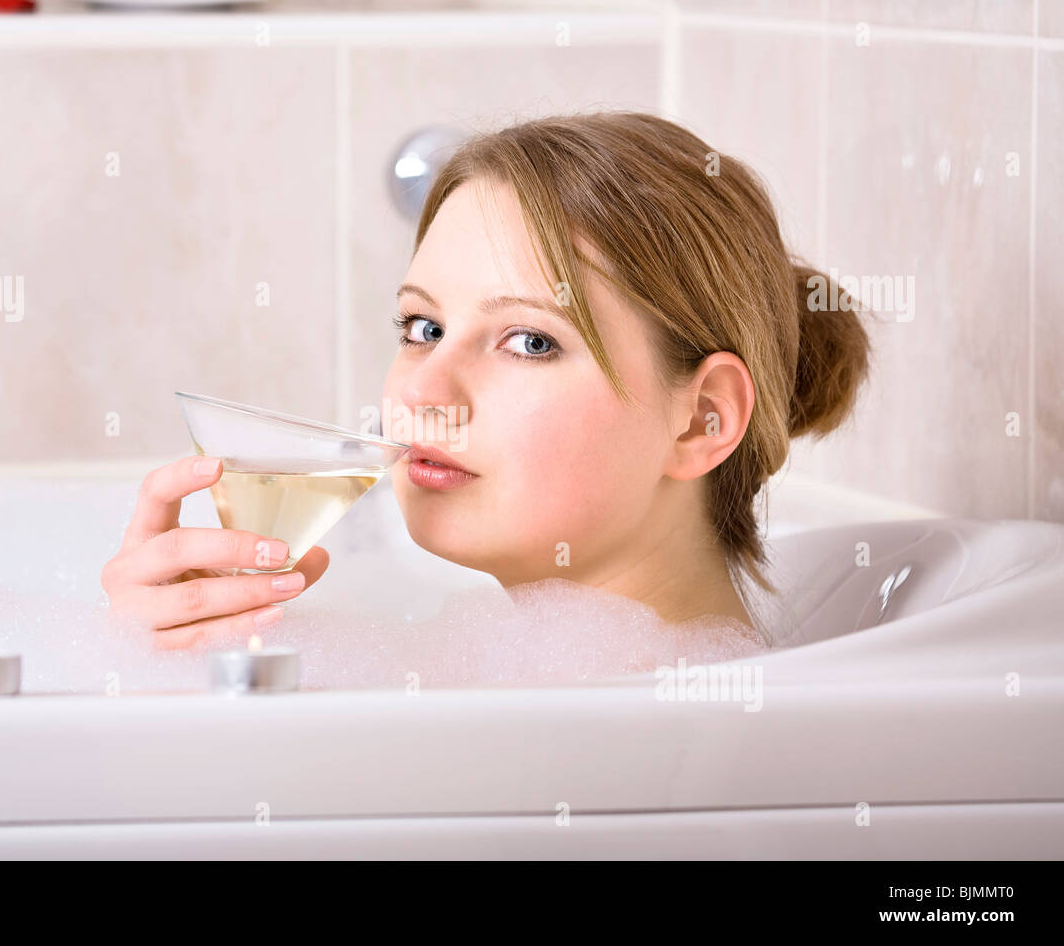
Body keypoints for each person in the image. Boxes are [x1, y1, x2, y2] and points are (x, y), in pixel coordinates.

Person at [101, 111, 871, 651]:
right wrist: (176, 651)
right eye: (423, 329)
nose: (421, 396)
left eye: (530, 341)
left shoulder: (660, 758)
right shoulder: (494, 696)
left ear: (703, 418)